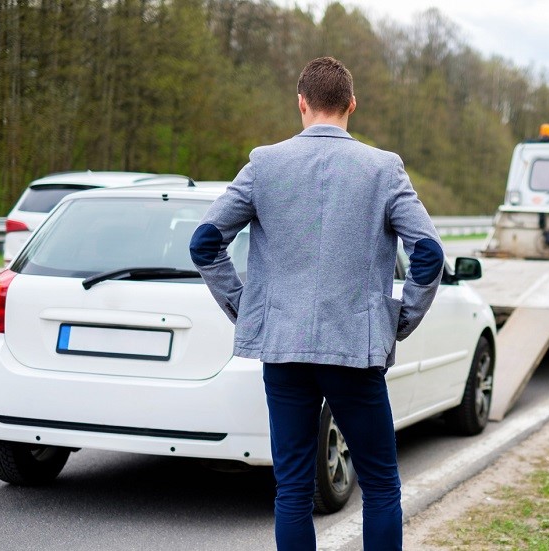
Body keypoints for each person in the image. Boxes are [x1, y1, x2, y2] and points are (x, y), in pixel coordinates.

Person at [188, 57, 443, 550]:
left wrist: (248, 311)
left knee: (293, 489)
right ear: (352, 105)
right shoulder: (383, 168)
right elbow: (428, 252)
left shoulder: (263, 163)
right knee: (382, 487)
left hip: (284, 349)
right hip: (355, 348)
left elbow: (204, 243)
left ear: (301, 103)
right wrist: (398, 320)